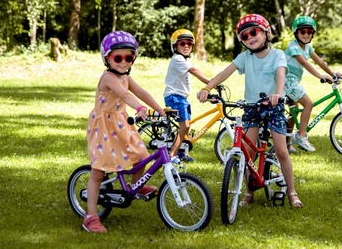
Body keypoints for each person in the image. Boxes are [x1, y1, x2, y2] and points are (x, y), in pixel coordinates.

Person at [197, 14, 303, 208]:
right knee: (247, 153)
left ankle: (292, 192)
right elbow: (224, 73)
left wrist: (278, 94)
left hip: (274, 106)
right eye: (244, 36)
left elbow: (281, 74)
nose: (250, 38)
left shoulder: (277, 54)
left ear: (265, 32)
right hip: (252, 108)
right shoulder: (245, 57)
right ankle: (248, 192)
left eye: (253, 32)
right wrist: (207, 87)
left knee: (281, 150)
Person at [83, 31, 167, 233]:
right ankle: (90, 216)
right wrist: (139, 108)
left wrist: (160, 110)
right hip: (104, 126)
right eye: (118, 58)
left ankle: (134, 185)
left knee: (140, 156)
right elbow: (125, 95)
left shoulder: (126, 77)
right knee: (98, 171)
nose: (123, 62)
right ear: (107, 58)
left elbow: (141, 93)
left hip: (122, 124)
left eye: (128, 57)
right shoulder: (109, 77)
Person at [284, 16, 342, 153]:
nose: (306, 34)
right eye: (302, 31)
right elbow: (304, 63)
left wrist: (332, 73)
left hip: (293, 81)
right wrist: (321, 76)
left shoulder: (308, 47)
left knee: (293, 112)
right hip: (286, 80)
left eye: (309, 31)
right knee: (308, 104)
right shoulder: (293, 46)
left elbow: (320, 62)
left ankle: (288, 144)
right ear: (296, 33)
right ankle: (301, 136)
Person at [163, 29, 211, 164]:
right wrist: (211, 82)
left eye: (189, 44)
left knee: (186, 125)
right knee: (185, 126)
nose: (186, 46)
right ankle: (172, 154)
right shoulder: (178, 59)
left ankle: (182, 152)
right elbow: (194, 71)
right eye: (182, 43)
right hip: (175, 97)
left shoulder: (182, 59)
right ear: (175, 46)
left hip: (180, 97)